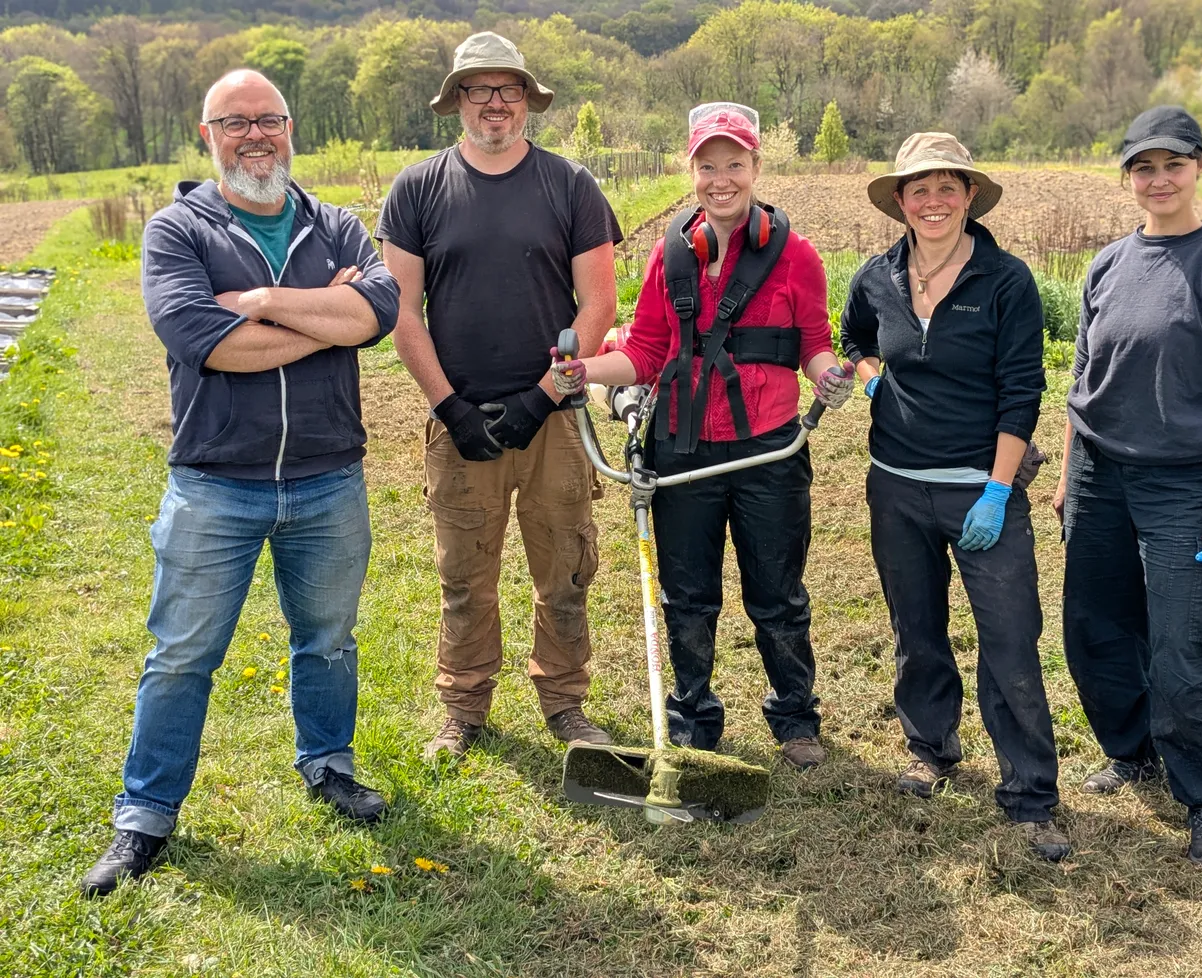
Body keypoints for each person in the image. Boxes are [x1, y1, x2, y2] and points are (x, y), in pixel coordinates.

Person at [81, 70, 400, 898]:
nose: (255, 136)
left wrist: (262, 301)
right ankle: (145, 814)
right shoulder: (175, 232)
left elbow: (379, 314)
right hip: (216, 484)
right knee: (182, 654)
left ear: (291, 127)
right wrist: (323, 318)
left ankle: (328, 765)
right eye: (236, 123)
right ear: (207, 134)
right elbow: (208, 342)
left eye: (269, 120)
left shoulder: (336, 223)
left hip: (329, 476)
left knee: (327, 638)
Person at [550, 103, 853, 770]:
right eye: (707, 165)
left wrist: (829, 376)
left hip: (768, 450)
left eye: (734, 164)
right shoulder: (670, 255)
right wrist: (584, 370)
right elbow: (650, 349)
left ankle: (795, 718)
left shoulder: (796, 256)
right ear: (691, 171)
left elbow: (814, 344)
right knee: (687, 595)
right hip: (683, 449)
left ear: (755, 168)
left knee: (777, 592)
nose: (721, 179)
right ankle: (692, 719)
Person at [375, 33, 622, 760]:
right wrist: (450, 407)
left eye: (508, 89)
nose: (494, 103)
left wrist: (542, 396)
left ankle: (566, 703)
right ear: (456, 101)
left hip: (553, 422)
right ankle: (464, 704)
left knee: (566, 570)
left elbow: (598, 305)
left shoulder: (570, 184)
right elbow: (401, 312)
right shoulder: (416, 190)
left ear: (527, 101)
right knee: (465, 576)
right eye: (478, 90)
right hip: (462, 423)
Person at [1053, 106, 1202, 872]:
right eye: (1143, 168)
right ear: (1128, 177)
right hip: (1097, 476)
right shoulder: (1108, 263)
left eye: (1172, 164)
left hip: (1186, 484)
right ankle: (1132, 749)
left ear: (1199, 167)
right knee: (1096, 629)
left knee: (1181, 646)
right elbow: (1084, 376)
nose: (1158, 179)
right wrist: (1070, 471)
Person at [840, 133, 1069, 861]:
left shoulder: (1006, 281)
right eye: (918, 189)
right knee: (917, 627)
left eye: (946, 187)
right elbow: (854, 338)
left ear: (969, 196)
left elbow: (1021, 393)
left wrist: (998, 491)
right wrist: (874, 378)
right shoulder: (877, 276)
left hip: (981, 491)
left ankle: (1030, 793)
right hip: (897, 487)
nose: (932, 201)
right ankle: (930, 749)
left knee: (1008, 641)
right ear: (899, 202)